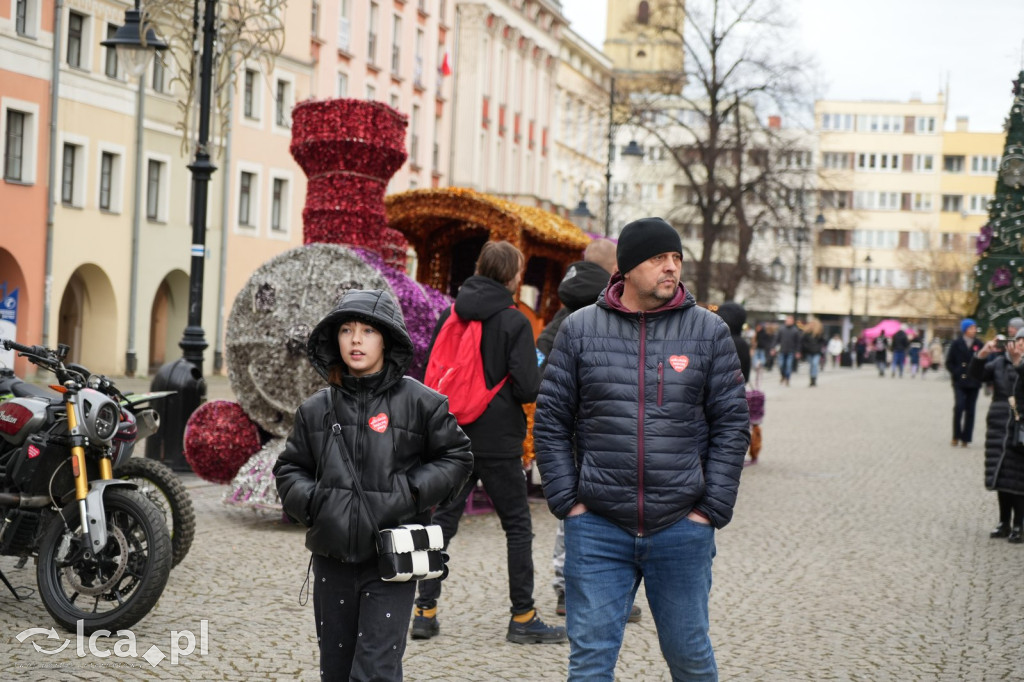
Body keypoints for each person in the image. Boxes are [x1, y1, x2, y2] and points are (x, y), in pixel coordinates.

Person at [534, 217, 749, 681]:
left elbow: (732, 424)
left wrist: (710, 509)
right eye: (658, 259)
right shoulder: (579, 329)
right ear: (628, 268)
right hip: (597, 526)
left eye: (676, 258)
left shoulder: (708, 332)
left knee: (689, 656)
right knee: (590, 663)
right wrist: (568, 502)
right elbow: (551, 421)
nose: (670, 267)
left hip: (681, 526)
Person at [273, 289, 474, 682]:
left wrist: (409, 493)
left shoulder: (421, 402)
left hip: (391, 560)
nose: (355, 340)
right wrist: (317, 504)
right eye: (346, 330)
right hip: (332, 562)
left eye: (367, 330)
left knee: (375, 671)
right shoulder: (316, 409)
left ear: (387, 338)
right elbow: (289, 469)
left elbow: (458, 457)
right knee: (336, 670)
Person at [412, 241, 566, 644]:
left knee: (441, 524)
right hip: (498, 440)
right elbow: (528, 388)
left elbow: (433, 370)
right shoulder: (513, 321)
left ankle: (424, 612)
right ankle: (523, 618)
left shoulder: (450, 312)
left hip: (453, 435)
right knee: (517, 526)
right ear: (512, 275)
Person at [536, 238, 641, 623]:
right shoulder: (608, 314)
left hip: (571, 432)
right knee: (610, 517)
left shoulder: (561, 316)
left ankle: (568, 588)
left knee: (574, 513)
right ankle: (600, 593)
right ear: (614, 267)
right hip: (606, 432)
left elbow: (537, 365)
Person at [970, 329, 1024, 542]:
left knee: (1019, 477)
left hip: (1020, 428)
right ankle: (1004, 521)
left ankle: (1019, 524)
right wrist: (983, 354)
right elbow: (976, 376)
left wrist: (1019, 363)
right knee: (1001, 476)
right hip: (999, 426)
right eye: (1018, 341)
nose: (1020, 345)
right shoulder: (1000, 363)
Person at [945, 318, 984, 447]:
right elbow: (949, 362)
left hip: (974, 382)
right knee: (959, 407)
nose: (974, 330)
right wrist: (956, 372)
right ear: (965, 330)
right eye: (971, 327)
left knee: (971, 410)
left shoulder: (979, 344)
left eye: (975, 328)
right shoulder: (957, 343)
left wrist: (979, 375)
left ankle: (966, 438)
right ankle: (956, 435)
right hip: (959, 382)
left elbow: (984, 361)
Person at [774, 315, 802, 386]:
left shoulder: (795, 330)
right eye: (787, 320)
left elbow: (798, 342)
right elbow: (776, 339)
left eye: (790, 320)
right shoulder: (781, 329)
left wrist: (798, 352)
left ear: (792, 322)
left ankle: (787, 378)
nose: (788, 322)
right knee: (781, 365)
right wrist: (773, 348)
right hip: (782, 350)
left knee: (788, 366)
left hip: (791, 351)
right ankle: (783, 375)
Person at [800, 317, 824, 387]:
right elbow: (803, 342)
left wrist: (819, 348)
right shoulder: (806, 332)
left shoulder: (819, 332)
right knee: (811, 365)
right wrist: (805, 348)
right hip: (809, 352)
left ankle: (814, 378)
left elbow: (822, 342)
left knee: (815, 364)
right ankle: (811, 378)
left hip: (816, 352)